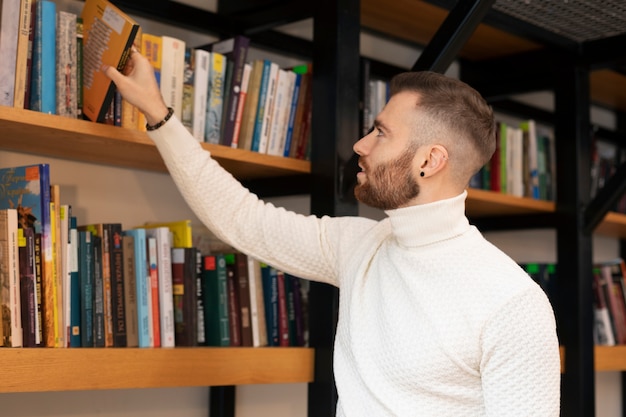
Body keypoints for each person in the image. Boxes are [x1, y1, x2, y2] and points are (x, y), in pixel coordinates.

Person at [105, 49, 561, 416]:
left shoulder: (511, 303)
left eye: (381, 133)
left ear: (430, 160)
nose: (360, 145)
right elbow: (242, 219)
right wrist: (159, 115)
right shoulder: (359, 246)